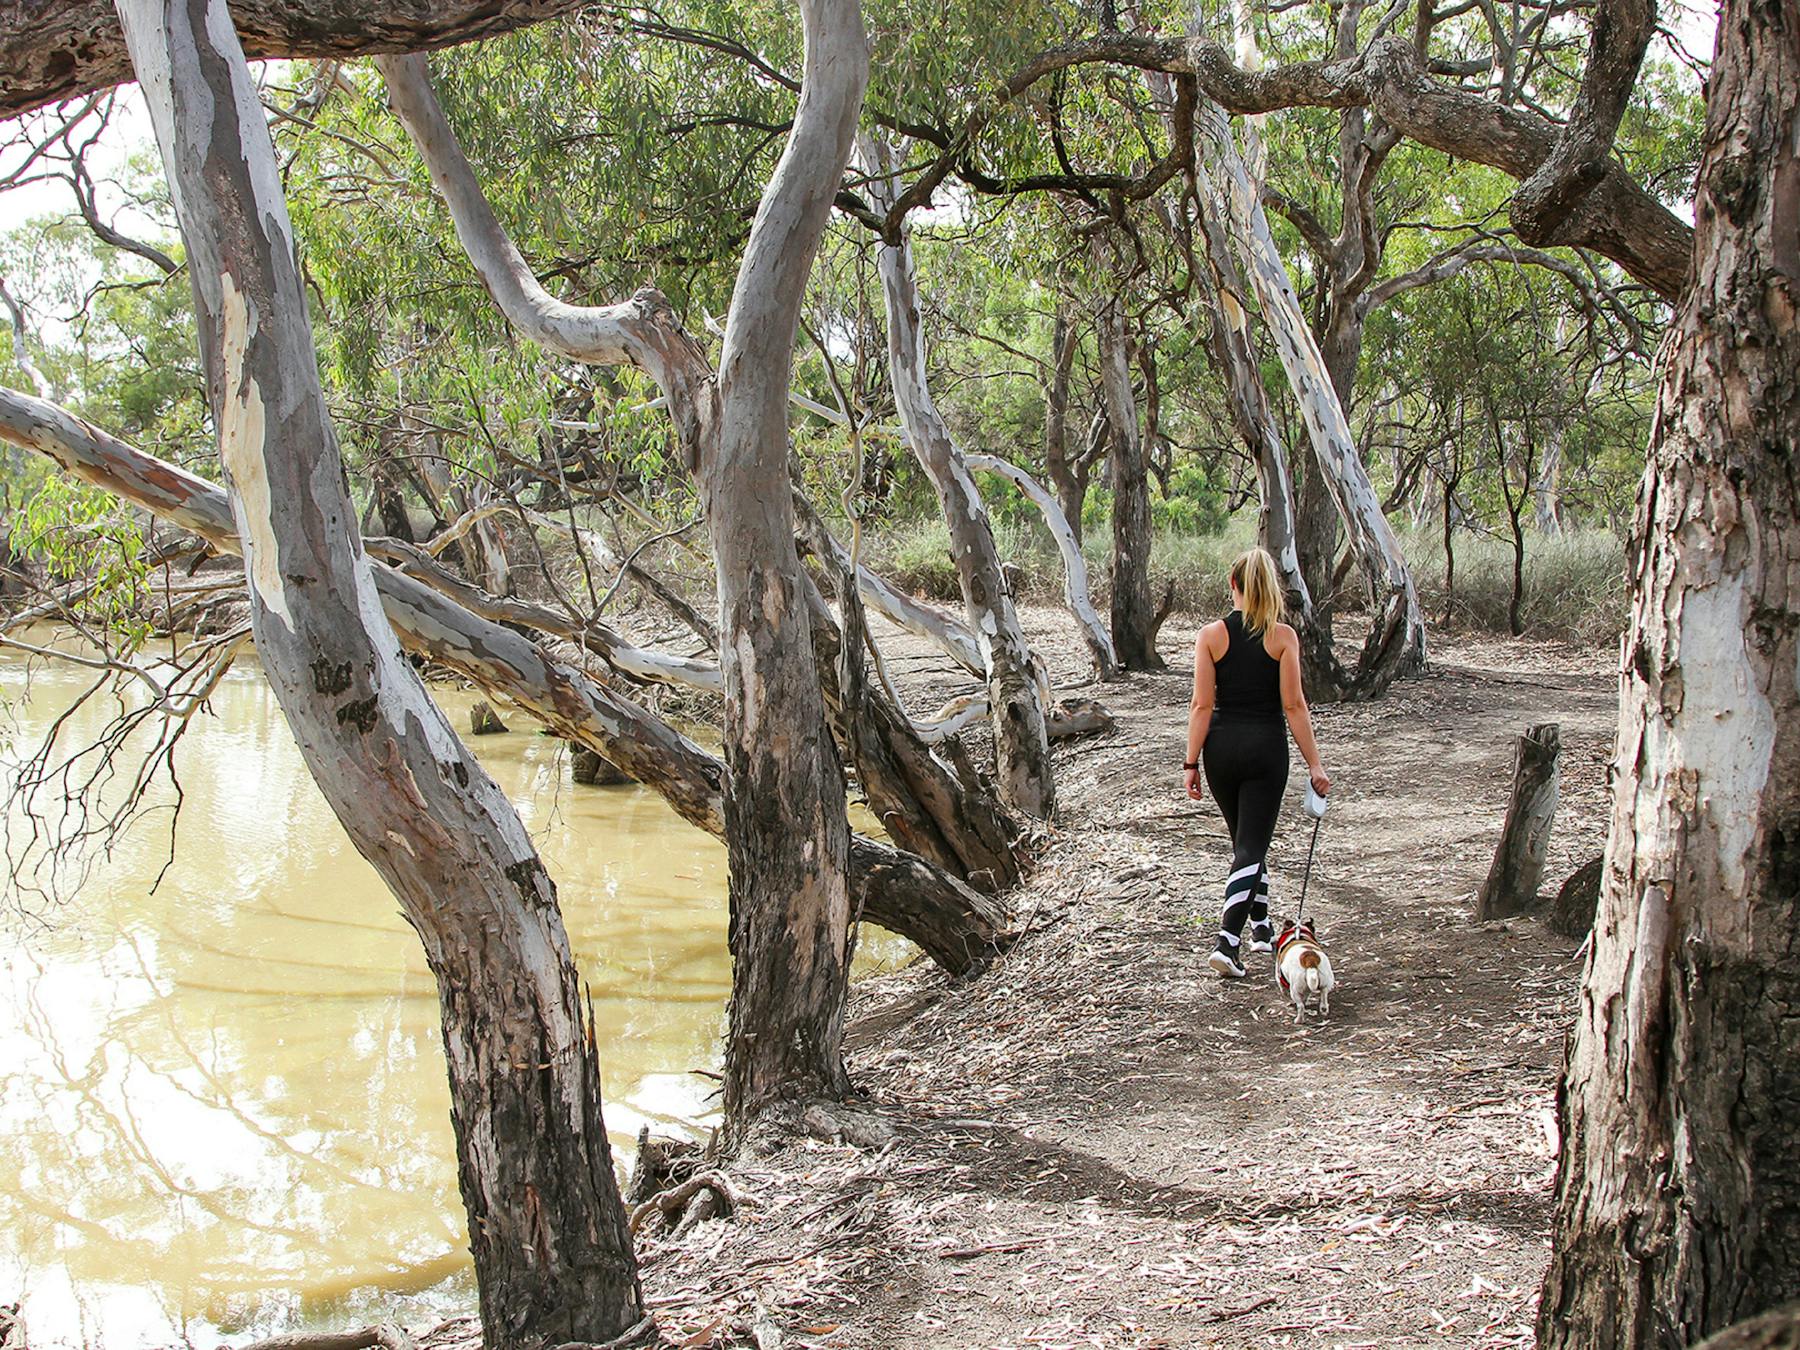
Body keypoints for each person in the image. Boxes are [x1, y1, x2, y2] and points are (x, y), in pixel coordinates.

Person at [1182, 547, 1330, 978]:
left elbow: (1201, 705)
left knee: (1247, 843)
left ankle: (1261, 926)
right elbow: (1294, 705)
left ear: (1233, 585)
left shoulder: (1211, 636)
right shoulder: (1282, 638)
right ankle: (1227, 942)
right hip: (1265, 748)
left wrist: (1191, 763)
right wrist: (1315, 765)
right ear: (1271, 588)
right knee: (1251, 845)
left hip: (1221, 750)